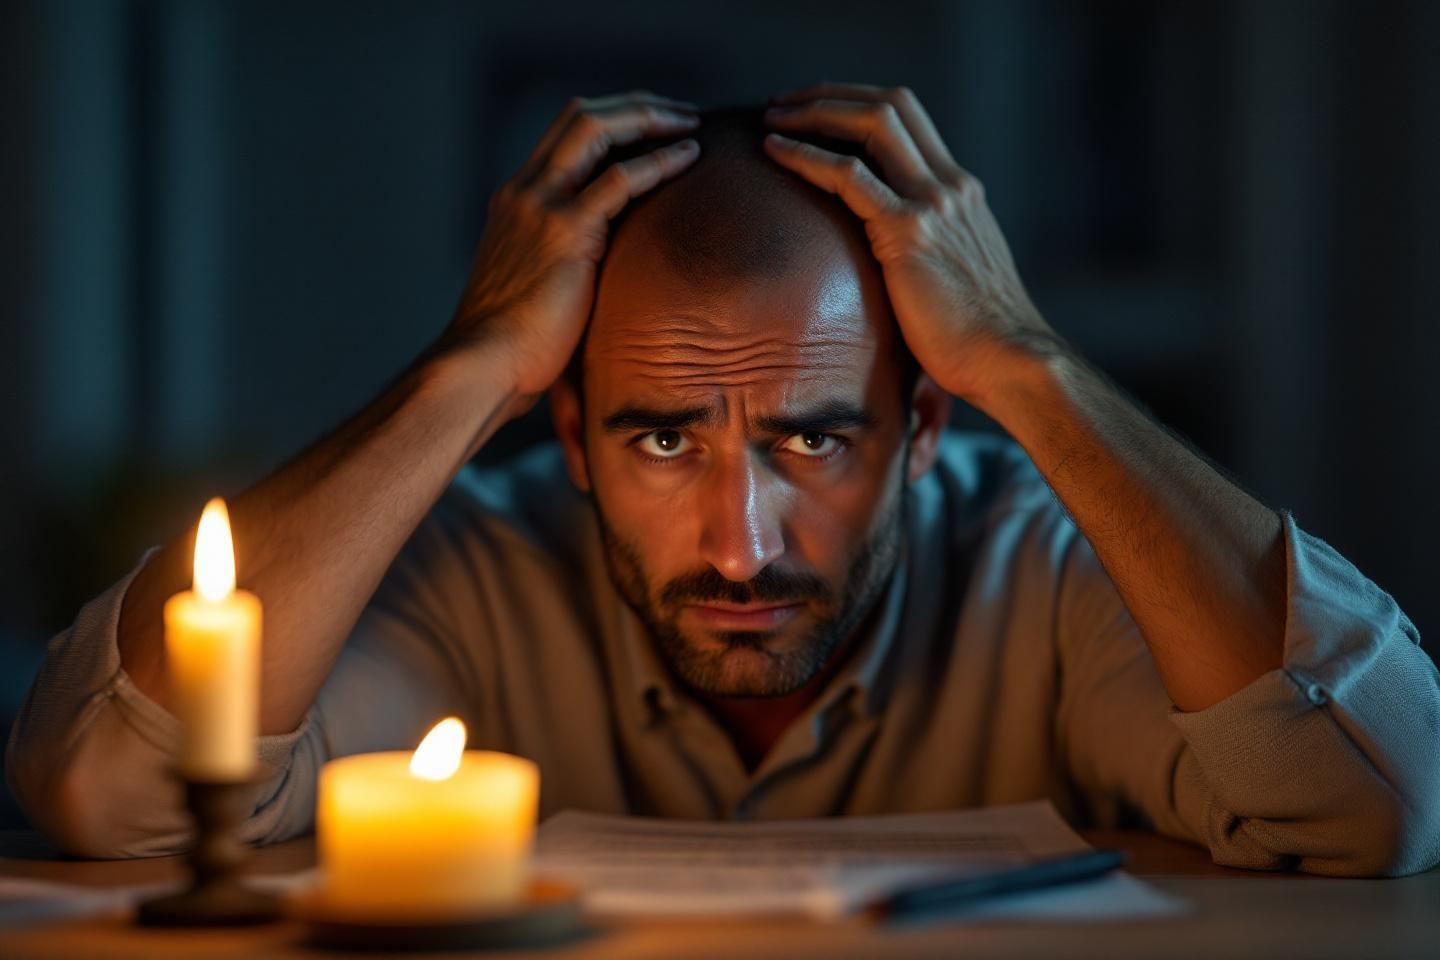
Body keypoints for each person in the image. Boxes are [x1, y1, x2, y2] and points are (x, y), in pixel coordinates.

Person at [8, 87, 1438, 876]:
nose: (740, 547)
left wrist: (1025, 359)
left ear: (929, 426)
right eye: (661, 439)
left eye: (815, 439)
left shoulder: (1048, 570)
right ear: (567, 436)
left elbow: (1382, 800)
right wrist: (470, 366)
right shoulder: (476, 575)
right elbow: (116, 795)